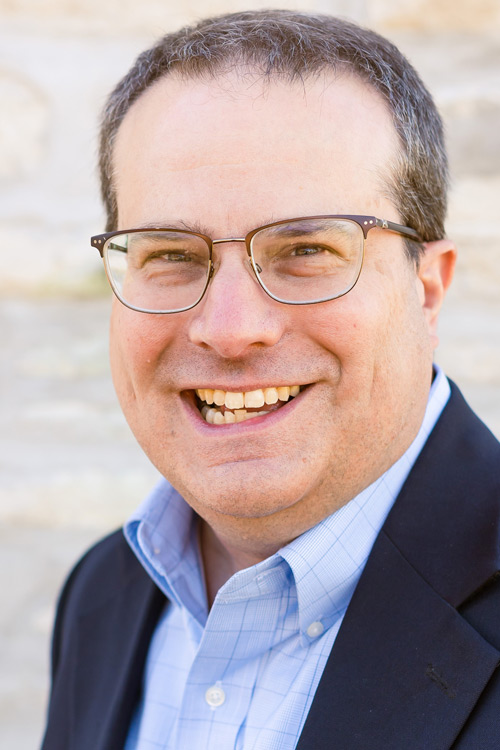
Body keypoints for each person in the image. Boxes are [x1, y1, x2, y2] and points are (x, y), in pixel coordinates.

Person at [41, 10, 500, 750]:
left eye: (307, 250)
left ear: (428, 289)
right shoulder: (103, 594)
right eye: (170, 254)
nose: (227, 328)